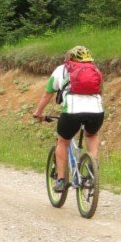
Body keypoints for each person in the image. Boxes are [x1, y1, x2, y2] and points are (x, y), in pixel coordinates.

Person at [32, 45, 104, 193]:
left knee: (63, 142)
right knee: (92, 134)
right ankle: (92, 167)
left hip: (72, 112)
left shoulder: (62, 69)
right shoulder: (95, 71)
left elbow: (47, 94)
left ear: (69, 58)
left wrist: (38, 113)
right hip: (96, 111)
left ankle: (60, 180)